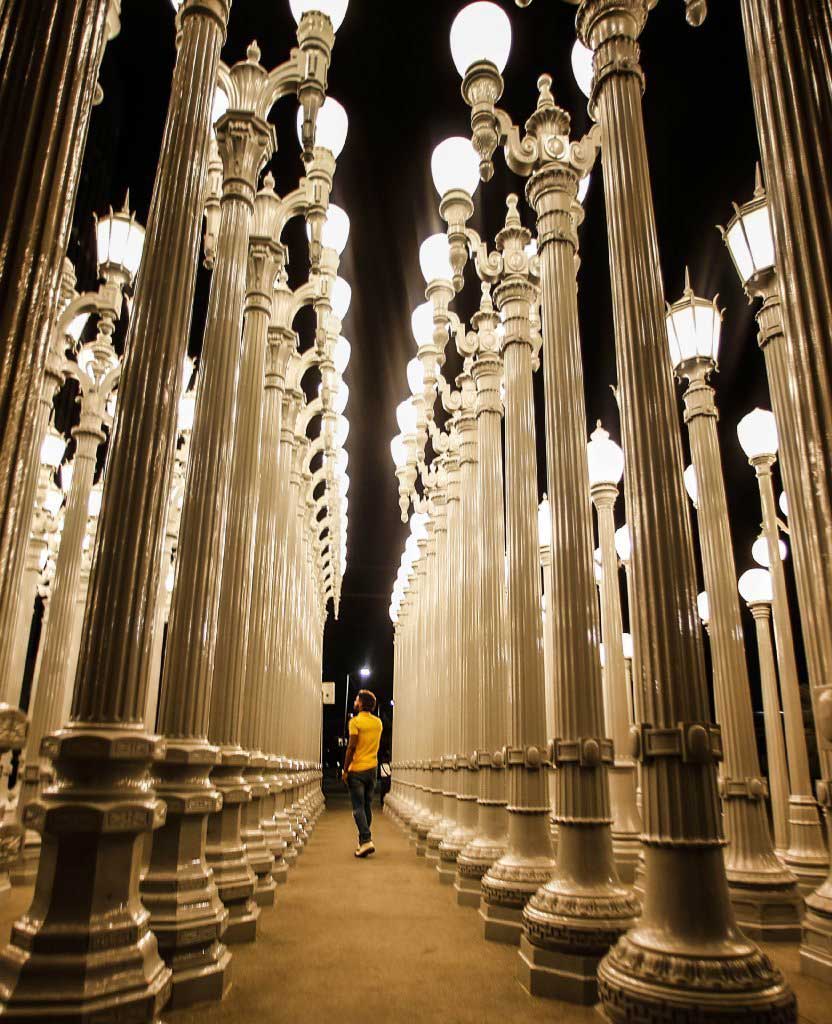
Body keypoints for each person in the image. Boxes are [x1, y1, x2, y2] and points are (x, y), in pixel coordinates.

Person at [342, 689, 383, 857]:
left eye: (357, 699)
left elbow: (351, 747)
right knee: (366, 806)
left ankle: (366, 840)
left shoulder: (355, 722)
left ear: (361, 703)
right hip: (372, 768)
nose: (355, 701)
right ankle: (363, 842)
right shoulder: (378, 723)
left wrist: (345, 770)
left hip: (357, 769)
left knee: (358, 808)